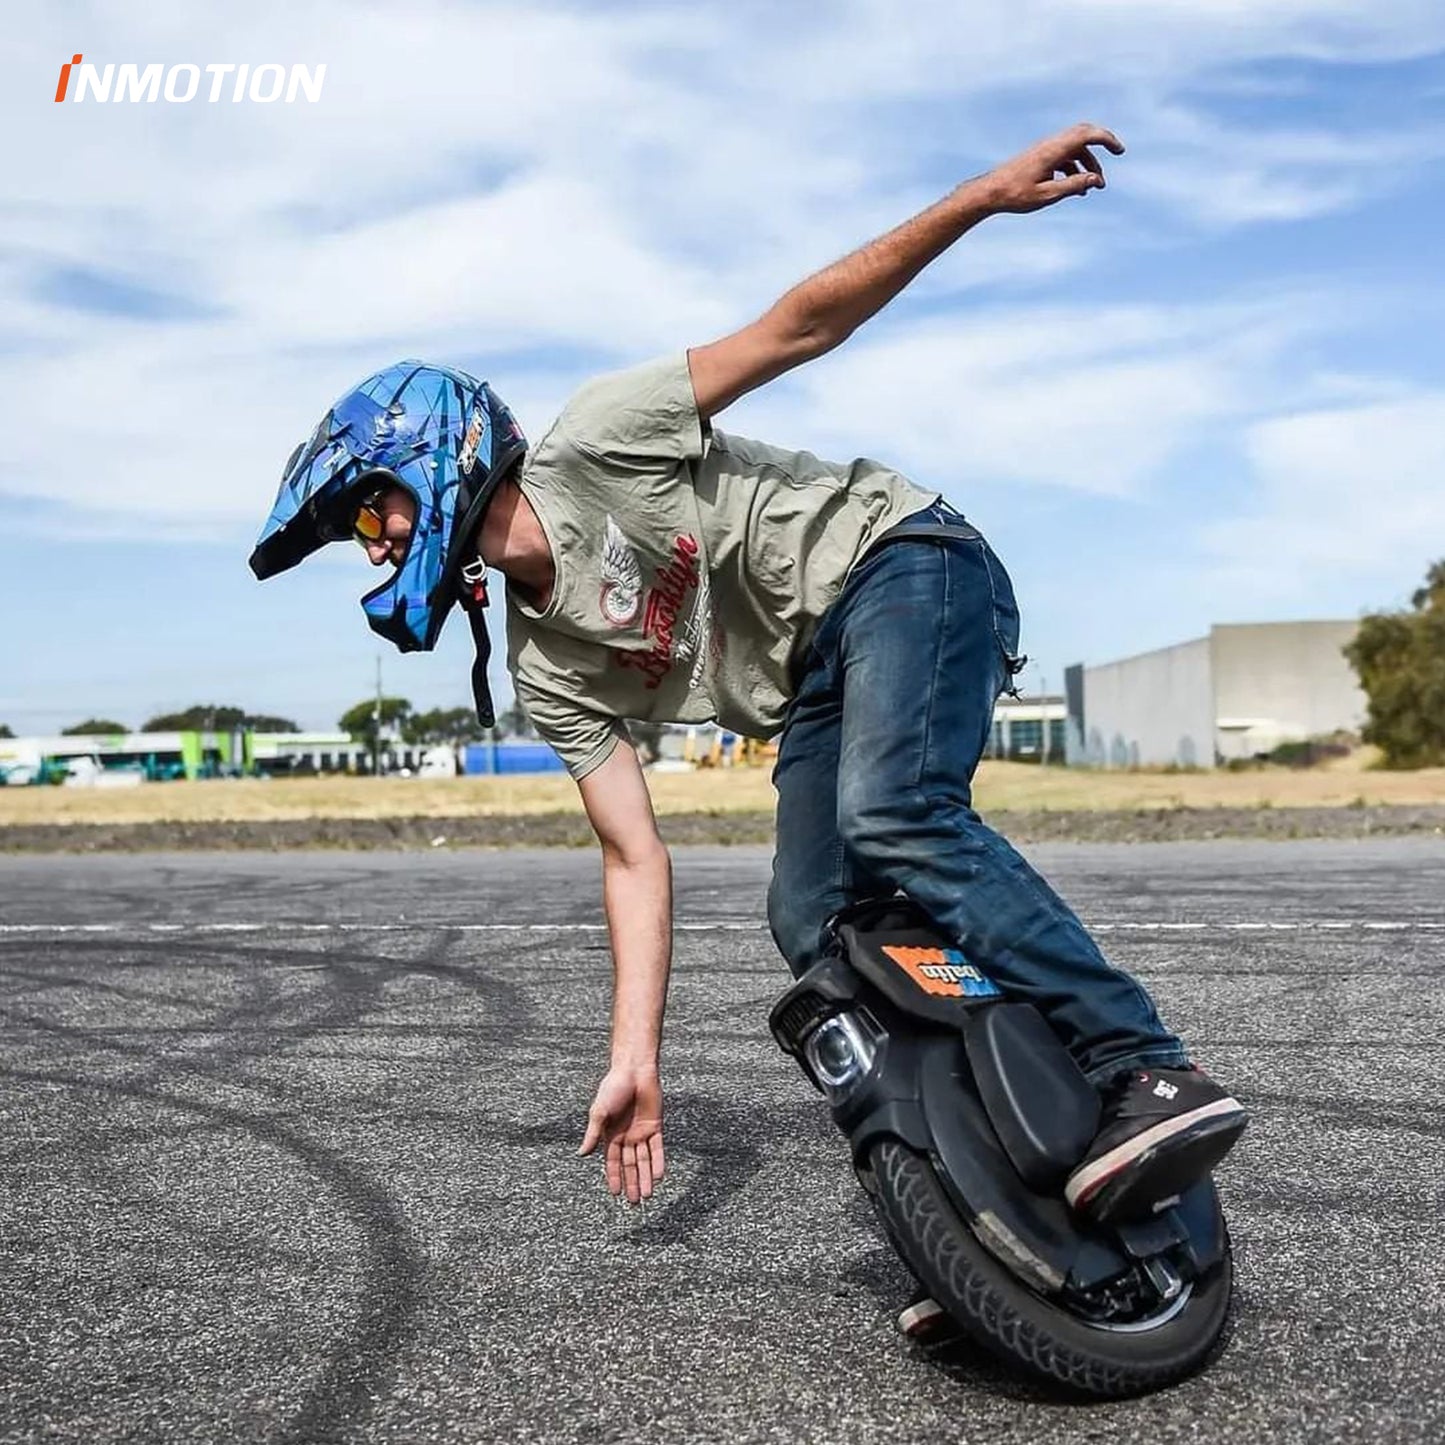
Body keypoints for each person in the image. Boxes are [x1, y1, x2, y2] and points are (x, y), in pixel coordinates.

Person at [251, 123, 1247, 1239]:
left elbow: (798, 325)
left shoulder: (594, 440)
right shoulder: (547, 664)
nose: (375, 547)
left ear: (426, 460)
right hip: (818, 677)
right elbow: (633, 855)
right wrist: (635, 1056)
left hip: (899, 560)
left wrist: (975, 198)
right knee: (812, 917)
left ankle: (1144, 1059)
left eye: (367, 514)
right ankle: (975, 1207)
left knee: (895, 815)